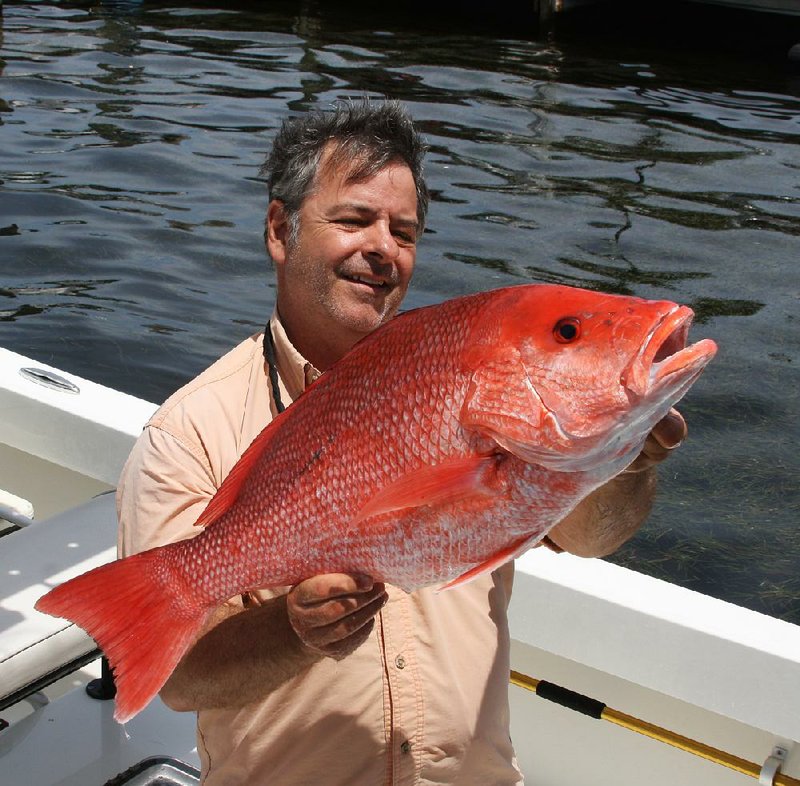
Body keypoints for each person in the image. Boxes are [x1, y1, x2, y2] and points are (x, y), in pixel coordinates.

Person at [117, 99, 687, 785]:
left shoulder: (472, 378)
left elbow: (592, 536)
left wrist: (627, 459)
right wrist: (290, 630)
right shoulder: (191, 429)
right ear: (280, 228)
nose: (383, 247)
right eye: (354, 219)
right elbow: (179, 680)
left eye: (404, 231)